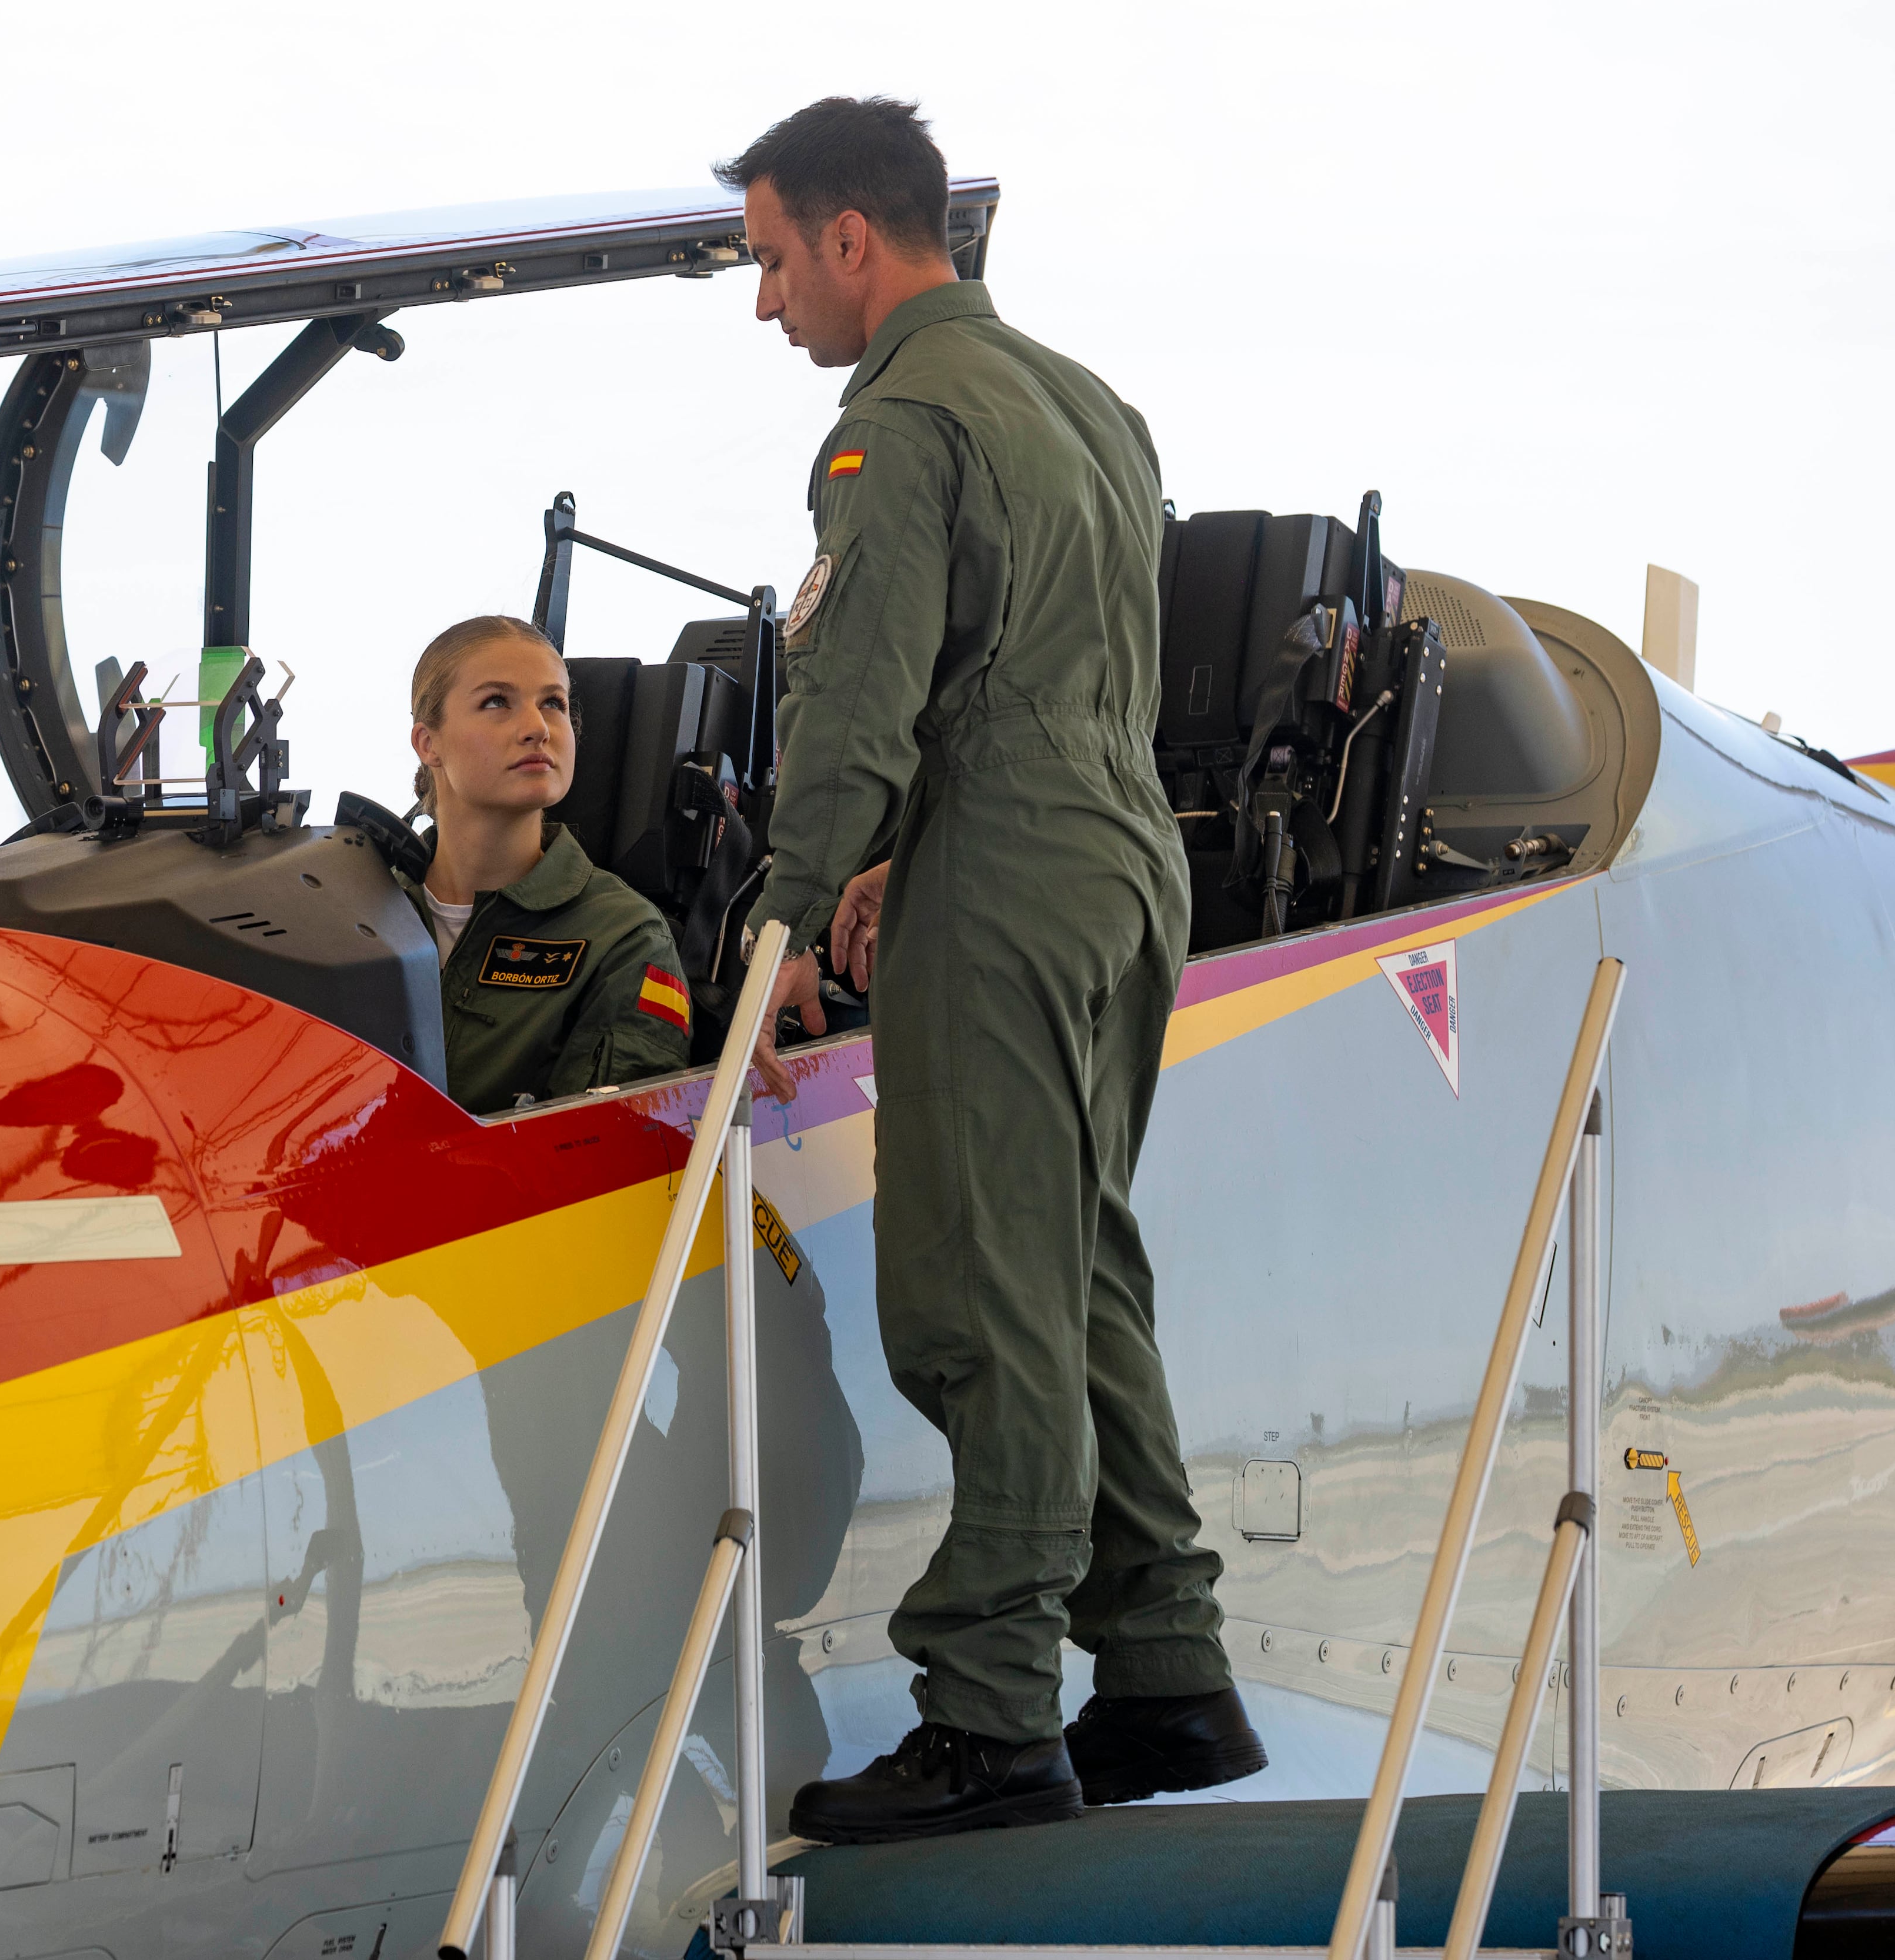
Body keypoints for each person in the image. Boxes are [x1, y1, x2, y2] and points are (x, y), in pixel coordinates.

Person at [721, 97, 1263, 1842]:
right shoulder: (1087, 406)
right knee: (1078, 1263)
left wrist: (789, 907)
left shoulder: (895, 426)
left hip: (1013, 880)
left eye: (769, 260)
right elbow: (1048, 664)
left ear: (849, 241)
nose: (765, 304)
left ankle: (989, 1713)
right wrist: (909, 852)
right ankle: (1166, 1676)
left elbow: (862, 693)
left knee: (978, 1292)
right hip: (1123, 864)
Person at [399, 615, 695, 1114]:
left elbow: (605, 1161)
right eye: (497, 702)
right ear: (429, 743)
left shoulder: (624, 939)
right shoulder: (356, 905)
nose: (538, 727)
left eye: (553, 703)